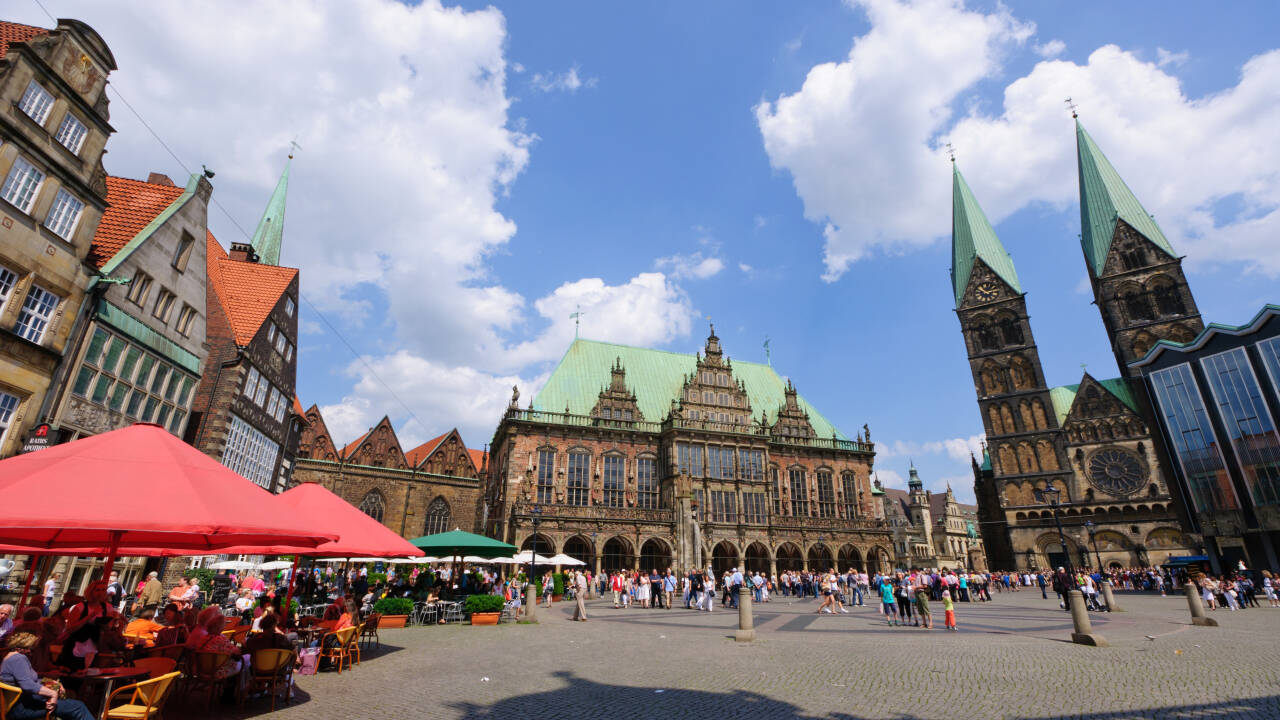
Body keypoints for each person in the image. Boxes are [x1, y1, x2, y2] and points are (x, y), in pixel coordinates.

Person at [2, 632, 96, 720]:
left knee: (69, 703)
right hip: (21, 708)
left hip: (23, 703)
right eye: (35, 646)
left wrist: (52, 683)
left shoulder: (12, 657)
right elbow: (27, 685)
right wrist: (52, 693)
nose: (36, 649)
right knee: (78, 707)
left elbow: (29, 680)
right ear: (27, 646)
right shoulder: (18, 659)